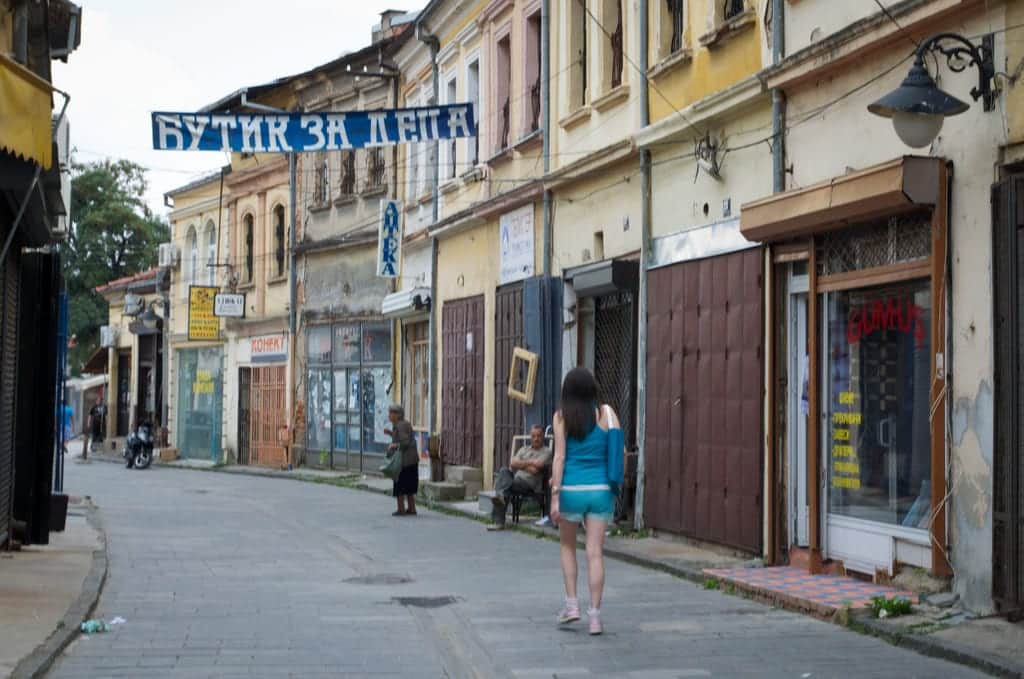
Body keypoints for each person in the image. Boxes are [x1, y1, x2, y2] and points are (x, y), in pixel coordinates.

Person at [549, 367, 619, 636]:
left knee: (568, 547)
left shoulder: (561, 417)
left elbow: (559, 458)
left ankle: (572, 605)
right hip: (601, 491)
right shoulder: (607, 414)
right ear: (593, 389)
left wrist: (555, 497)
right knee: (595, 552)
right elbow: (619, 451)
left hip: (571, 490)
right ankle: (595, 618)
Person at [487, 425, 551, 531]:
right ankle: (501, 499)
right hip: (515, 481)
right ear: (530, 437)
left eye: (539, 436)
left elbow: (535, 470)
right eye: (533, 436)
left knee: (503, 486)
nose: (536, 439)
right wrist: (530, 462)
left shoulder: (546, 451)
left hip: (529, 484)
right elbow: (512, 463)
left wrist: (520, 464)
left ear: (543, 436)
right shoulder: (523, 449)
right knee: (504, 471)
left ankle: (498, 521)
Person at [384, 404, 418, 516]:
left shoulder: (400, 426)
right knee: (409, 487)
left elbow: (405, 442)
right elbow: (401, 437)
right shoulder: (404, 424)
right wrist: (390, 433)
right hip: (411, 461)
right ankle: (412, 508)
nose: (389, 415)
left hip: (404, 462)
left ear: (397, 415)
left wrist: (393, 446)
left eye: (391, 413)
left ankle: (401, 509)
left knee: (399, 485)